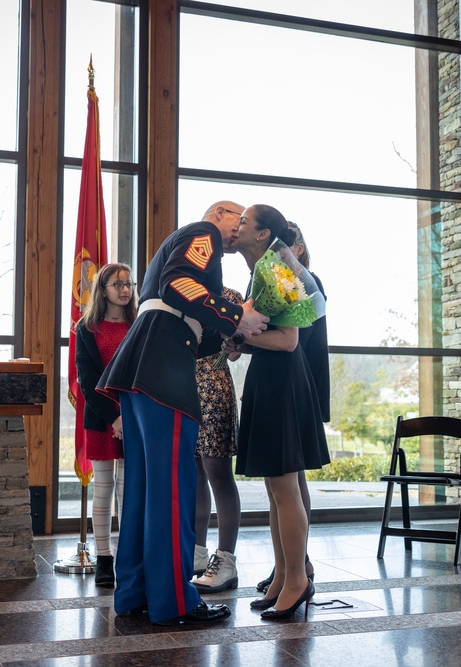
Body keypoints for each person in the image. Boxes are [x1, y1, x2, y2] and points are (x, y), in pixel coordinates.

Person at [97, 201, 270, 626]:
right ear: (219, 215)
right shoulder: (203, 232)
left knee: (142, 488)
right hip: (163, 373)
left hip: (143, 366)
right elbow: (178, 286)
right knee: (173, 489)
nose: (239, 227)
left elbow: (183, 313)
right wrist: (236, 314)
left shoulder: (188, 242)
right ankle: (175, 601)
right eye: (237, 217)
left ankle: (135, 593)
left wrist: (227, 335)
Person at [229, 204, 330, 621]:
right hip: (268, 380)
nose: (235, 228)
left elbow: (288, 341)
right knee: (274, 491)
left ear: (262, 235)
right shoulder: (259, 272)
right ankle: (281, 577)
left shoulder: (276, 271)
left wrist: (236, 332)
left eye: (243, 223)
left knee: (285, 490)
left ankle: (296, 581)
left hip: (284, 383)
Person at [255, 220, 327, 593]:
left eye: (288, 244)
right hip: (288, 382)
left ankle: (298, 567)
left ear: (298, 249)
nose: (279, 250)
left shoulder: (302, 285)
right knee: (283, 484)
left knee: (290, 483)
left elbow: (295, 341)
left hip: (298, 385)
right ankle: (287, 567)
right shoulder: (280, 280)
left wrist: (247, 332)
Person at [75, 262, 138, 588]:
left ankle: (127, 556)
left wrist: (128, 416)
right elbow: (88, 381)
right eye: (117, 284)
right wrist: (114, 417)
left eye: (128, 284)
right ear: (103, 290)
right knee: (103, 490)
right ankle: (104, 557)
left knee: (128, 492)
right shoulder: (86, 328)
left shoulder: (139, 325)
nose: (125, 290)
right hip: (102, 417)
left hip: (134, 416)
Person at [190, 285, 244, 593]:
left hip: (213, 383)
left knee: (218, 474)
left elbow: (236, 349)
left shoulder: (231, 297)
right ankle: (197, 554)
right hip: (183, 385)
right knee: (195, 475)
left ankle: (225, 561)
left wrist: (234, 344)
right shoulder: (184, 292)